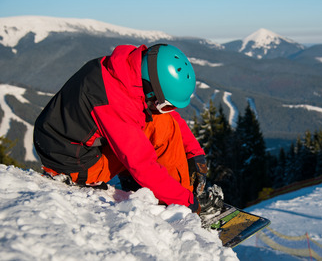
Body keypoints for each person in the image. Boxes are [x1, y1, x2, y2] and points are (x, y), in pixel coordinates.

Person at [33, 43, 220, 214]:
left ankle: (165, 190)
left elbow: (165, 116)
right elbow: (142, 164)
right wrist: (188, 202)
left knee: (159, 121)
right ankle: (179, 204)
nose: (168, 111)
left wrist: (194, 153)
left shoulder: (124, 71)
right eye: (166, 105)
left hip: (68, 146)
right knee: (162, 129)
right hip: (74, 165)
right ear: (150, 89)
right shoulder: (114, 100)